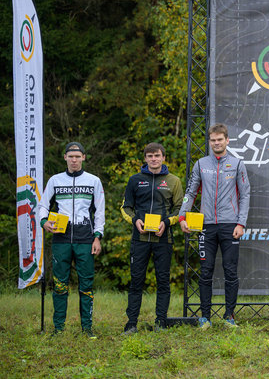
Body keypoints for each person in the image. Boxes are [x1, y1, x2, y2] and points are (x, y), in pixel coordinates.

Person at [179, 123, 250, 328]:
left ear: (227, 141)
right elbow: (190, 193)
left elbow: (245, 195)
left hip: (230, 225)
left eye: (220, 139)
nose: (216, 143)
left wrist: (241, 223)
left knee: (230, 271)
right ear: (209, 142)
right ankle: (205, 317)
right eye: (213, 140)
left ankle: (229, 316)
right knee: (206, 271)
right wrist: (182, 217)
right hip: (206, 225)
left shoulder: (237, 164)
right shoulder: (201, 164)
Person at [37, 142, 105, 338]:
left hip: (85, 238)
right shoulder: (55, 180)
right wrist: (43, 221)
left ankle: (87, 328)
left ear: (84, 157)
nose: (74, 160)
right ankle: (58, 329)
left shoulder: (94, 181)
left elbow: (99, 212)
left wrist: (97, 237)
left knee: (86, 285)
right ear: (65, 157)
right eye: (70, 156)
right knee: (59, 284)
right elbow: (42, 205)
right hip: (61, 239)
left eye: (78, 156)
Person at [120, 143, 184, 334]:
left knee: (163, 281)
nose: (153, 159)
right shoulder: (135, 180)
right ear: (145, 158)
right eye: (150, 156)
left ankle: (161, 322)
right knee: (136, 280)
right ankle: (131, 323)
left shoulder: (173, 181)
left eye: (157, 155)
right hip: (139, 239)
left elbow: (180, 209)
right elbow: (126, 207)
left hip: (163, 240)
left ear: (164, 157)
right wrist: (135, 221)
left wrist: (167, 222)